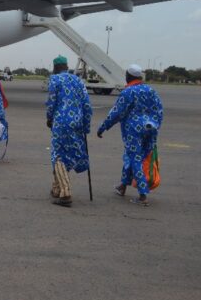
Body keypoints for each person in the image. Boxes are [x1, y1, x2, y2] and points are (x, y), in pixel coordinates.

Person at [97, 64, 163, 206]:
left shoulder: (128, 92)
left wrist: (103, 127)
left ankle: (143, 195)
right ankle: (123, 186)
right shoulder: (151, 90)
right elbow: (159, 111)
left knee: (135, 159)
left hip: (134, 130)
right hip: (150, 129)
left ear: (129, 76)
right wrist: (155, 126)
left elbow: (116, 113)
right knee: (134, 156)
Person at [46, 55, 92, 207]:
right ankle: (56, 188)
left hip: (61, 122)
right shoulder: (78, 80)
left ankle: (65, 193)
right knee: (70, 153)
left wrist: (49, 118)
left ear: (55, 67)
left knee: (58, 155)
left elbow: (52, 102)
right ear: (66, 66)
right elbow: (87, 105)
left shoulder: (55, 80)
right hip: (77, 121)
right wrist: (86, 126)